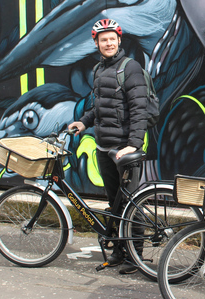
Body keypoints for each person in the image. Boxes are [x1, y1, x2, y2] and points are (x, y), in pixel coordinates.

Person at [68, 18, 148, 274]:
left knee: (131, 203)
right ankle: (119, 251)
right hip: (103, 148)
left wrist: (133, 144)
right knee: (114, 202)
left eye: (112, 38)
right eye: (104, 39)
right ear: (96, 43)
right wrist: (83, 123)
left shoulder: (130, 68)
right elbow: (97, 107)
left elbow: (139, 110)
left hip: (124, 149)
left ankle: (137, 257)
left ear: (119, 40)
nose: (109, 43)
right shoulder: (98, 70)